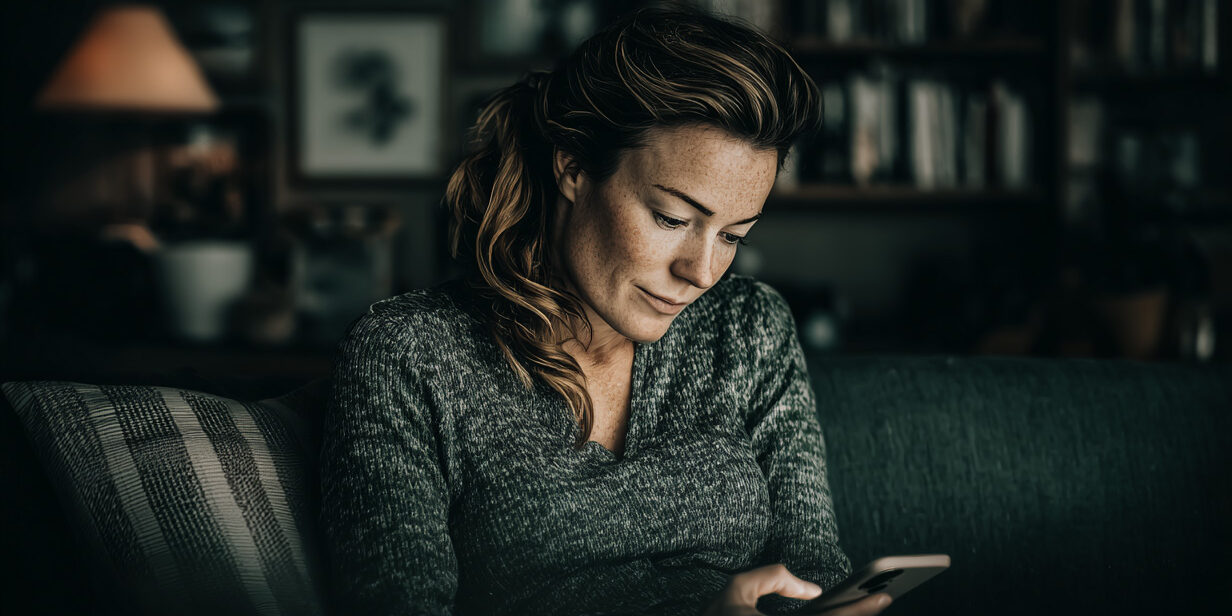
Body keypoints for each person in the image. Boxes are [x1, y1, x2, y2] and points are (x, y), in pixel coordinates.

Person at [320, 6, 892, 616]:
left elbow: (813, 572)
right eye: (673, 219)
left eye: (733, 236)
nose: (701, 273)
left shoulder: (748, 327)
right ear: (573, 166)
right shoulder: (410, 353)